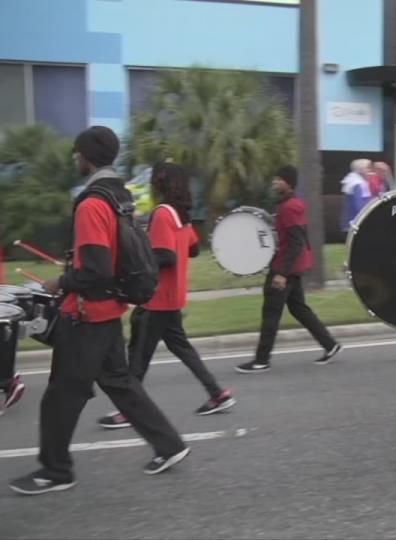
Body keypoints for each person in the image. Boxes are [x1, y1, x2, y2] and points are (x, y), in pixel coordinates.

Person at [10, 126, 189, 496]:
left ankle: (56, 471)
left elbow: (95, 269)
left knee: (61, 395)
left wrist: (59, 283)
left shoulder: (93, 203)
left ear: (86, 156)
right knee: (120, 384)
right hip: (108, 311)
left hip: (88, 315)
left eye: (77, 152)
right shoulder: (119, 196)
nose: (75, 157)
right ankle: (170, 445)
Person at [97, 162, 235, 429]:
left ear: (159, 183)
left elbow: (165, 256)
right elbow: (193, 250)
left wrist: (136, 258)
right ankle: (217, 395)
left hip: (157, 298)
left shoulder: (162, 213)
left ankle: (129, 411)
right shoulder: (180, 214)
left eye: (152, 179)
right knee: (181, 348)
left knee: (138, 355)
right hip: (174, 296)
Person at [236, 166, 341, 373]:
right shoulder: (290, 204)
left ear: (287, 183)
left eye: (278, 180)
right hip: (292, 265)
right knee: (298, 308)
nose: (275, 183)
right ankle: (330, 344)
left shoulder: (290, 207)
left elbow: (296, 242)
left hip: (285, 267)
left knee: (271, 313)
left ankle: (261, 360)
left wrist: (282, 274)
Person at [340, 159, 372, 230]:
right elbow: (359, 205)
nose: (369, 170)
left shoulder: (355, 181)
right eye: (367, 168)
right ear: (360, 169)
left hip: (353, 219)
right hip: (355, 220)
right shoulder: (357, 183)